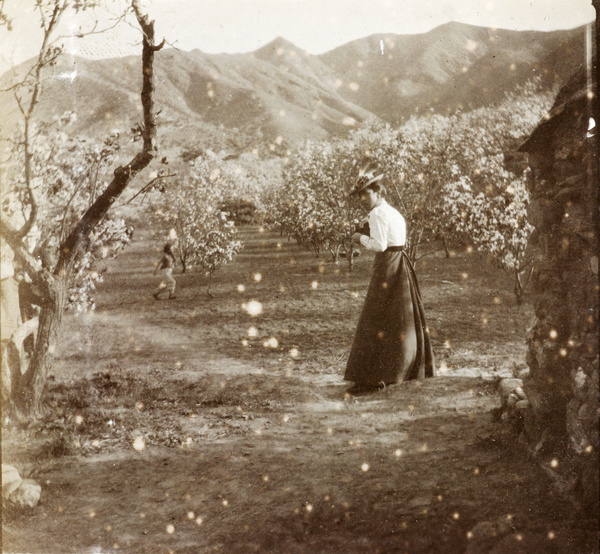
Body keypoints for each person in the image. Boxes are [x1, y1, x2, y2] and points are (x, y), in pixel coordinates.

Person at [344, 158, 435, 393]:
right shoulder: (391, 212)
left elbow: (380, 245)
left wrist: (358, 238)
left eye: (366, 194)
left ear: (377, 191)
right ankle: (404, 369)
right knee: (401, 317)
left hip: (387, 265)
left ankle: (376, 374)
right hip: (401, 264)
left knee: (378, 317)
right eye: (359, 196)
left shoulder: (377, 214)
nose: (362, 200)